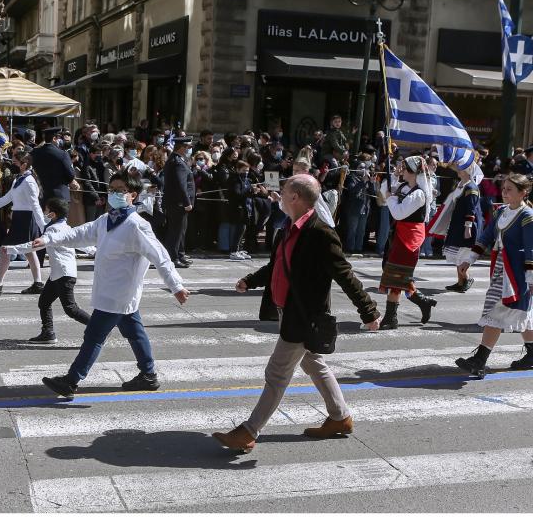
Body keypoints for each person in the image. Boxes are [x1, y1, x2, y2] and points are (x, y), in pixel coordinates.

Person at [212, 174, 380, 452]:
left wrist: (368, 311)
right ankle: (340, 417)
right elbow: (277, 266)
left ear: (295, 197)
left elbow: (345, 274)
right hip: (286, 311)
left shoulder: (320, 232)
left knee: (277, 372)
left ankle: (248, 432)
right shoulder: (288, 228)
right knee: (312, 361)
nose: (278, 193)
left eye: (284, 189)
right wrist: (251, 280)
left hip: (305, 316)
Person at [33, 171, 190, 399]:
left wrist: (176, 286)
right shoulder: (106, 220)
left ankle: (72, 380)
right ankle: (148, 375)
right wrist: (48, 239)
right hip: (112, 291)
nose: (114, 194)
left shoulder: (137, 226)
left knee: (94, 336)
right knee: (134, 332)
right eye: (112, 189)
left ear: (133, 195)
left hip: (118, 293)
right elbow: (78, 234)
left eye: (120, 190)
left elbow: (161, 256)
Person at [455, 174, 533, 378]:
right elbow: (486, 236)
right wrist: (469, 259)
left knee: (496, 310)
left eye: (509, 189)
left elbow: (531, 249)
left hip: (518, 273)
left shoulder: (527, 216)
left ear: (523, 193)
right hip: (501, 269)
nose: (504, 192)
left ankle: (479, 360)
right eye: (504, 188)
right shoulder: (501, 212)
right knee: (524, 313)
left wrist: (530, 280)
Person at [2, 197, 91, 344]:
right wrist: (94, 250)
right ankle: (48, 333)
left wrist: (11, 249)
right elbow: (82, 242)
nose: (44, 212)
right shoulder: (67, 227)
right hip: (59, 274)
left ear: (53, 214)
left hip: (63, 274)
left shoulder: (53, 229)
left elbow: (35, 245)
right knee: (44, 302)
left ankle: (98, 329)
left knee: (70, 308)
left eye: (47, 210)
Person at [377, 156, 437, 329]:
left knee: (396, 276)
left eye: (404, 168)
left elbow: (398, 213)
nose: (401, 170)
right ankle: (422, 303)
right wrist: (393, 178)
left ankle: (391, 318)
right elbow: (384, 190)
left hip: (409, 239)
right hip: (398, 235)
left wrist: (390, 197)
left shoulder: (419, 194)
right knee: (397, 276)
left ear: (413, 172)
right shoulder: (403, 186)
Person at [0, 150, 47, 296]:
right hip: (20, 218)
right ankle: (38, 283)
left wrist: (44, 227)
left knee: (5, 249)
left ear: (24, 164)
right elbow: (6, 199)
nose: (12, 164)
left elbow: (35, 205)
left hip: (26, 219)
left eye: (15, 162)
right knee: (29, 251)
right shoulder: (19, 179)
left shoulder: (28, 181)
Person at [434, 167, 483, 292]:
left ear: (469, 171)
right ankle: (460, 282)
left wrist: (468, 228)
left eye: (462, 168)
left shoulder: (471, 187)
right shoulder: (461, 185)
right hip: (458, 224)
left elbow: (471, 209)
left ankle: (467, 278)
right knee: (457, 256)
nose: (458, 170)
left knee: (463, 256)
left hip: (467, 225)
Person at [162, 136, 196, 268]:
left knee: (181, 231)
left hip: (177, 203)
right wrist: (186, 202)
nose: (189, 150)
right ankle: (173, 257)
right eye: (188, 147)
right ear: (182, 148)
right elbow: (181, 185)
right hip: (178, 203)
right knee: (175, 231)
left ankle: (180, 254)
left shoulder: (179, 160)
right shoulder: (177, 162)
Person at [31, 126, 76, 204]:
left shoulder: (35, 153)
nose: (61, 141)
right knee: (60, 216)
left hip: (43, 195)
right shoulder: (63, 154)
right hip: (60, 195)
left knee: (45, 216)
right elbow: (71, 175)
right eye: (59, 138)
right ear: (54, 138)